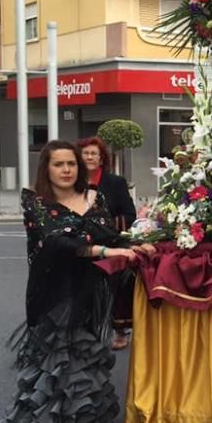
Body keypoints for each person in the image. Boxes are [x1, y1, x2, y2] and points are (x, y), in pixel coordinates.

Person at [0, 141, 155, 423]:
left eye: (71, 164)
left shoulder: (95, 198)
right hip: (54, 294)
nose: (66, 170)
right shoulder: (35, 201)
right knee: (55, 368)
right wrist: (106, 251)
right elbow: (56, 241)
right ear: (46, 169)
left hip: (90, 292)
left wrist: (134, 244)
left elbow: (109, 232)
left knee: (83, 359)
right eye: (58, 164)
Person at [77, 136, 137, 350]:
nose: (90, 157)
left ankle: (120, 330)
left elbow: (129, 213)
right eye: (85, 153)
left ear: (102, 159)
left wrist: (107, 226)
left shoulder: (115, 183)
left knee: (118, 287)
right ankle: (85, 329)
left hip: (111, 242)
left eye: (94, 153)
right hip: (81, 244)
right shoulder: (72, 182)